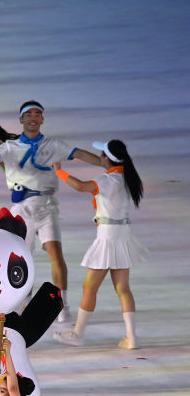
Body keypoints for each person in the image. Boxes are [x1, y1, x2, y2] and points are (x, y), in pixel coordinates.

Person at [0, 101, 102, 322]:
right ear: (21, 120)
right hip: (21, 209)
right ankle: (22, 303)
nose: (33, 117)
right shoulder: (9, 147)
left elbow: (79, 153)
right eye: (28, 114)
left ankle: (62, 306)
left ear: (42, 119)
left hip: (46, 206)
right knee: (21, 258)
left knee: (55, 254)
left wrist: (104, 164)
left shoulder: (53, 145)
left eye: (37, 114)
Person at [53, 139, 147, 349]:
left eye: (102, 155)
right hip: (122, 235)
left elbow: (80, 186)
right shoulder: (127, 178)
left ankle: (77, 333)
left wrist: (59, 172)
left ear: (107, 159)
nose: (100, 158)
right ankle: (131, 337)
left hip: (108, 237)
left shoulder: (108, 180)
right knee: (123, 288)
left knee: (89, 287)